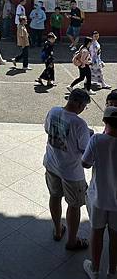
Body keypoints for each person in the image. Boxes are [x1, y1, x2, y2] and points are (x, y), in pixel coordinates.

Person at [43, 88, 91, 251]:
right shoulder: (79, 124)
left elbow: (48, 130)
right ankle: (72, 241)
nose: (83, 108)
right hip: (71, 172)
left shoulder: (53, 111)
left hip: (51, 163)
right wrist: (90, 136)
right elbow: (85, 151)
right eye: (84, 105)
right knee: (74, 205)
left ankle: (57, 230)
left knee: (54, 196)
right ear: (78, 104)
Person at [81, 106, 117, 279]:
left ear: (104, 121)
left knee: (97, 232)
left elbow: (85, 163)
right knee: (115, 236)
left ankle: (94, 270)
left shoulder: (97, 140)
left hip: (99, 198)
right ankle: (112, 271)